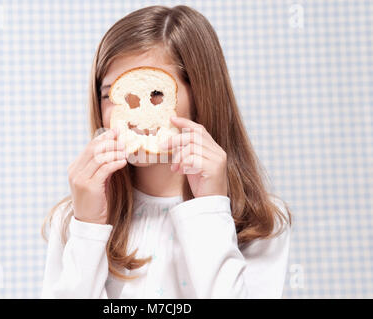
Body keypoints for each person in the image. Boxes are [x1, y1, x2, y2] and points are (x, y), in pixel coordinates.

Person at [41, 5, 292, 299]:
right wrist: (87, 229)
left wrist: (211, 207)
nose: (134, 116)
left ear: (201, 95)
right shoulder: (74, 218)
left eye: (156, 94)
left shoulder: (259, 221)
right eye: (112, 95)